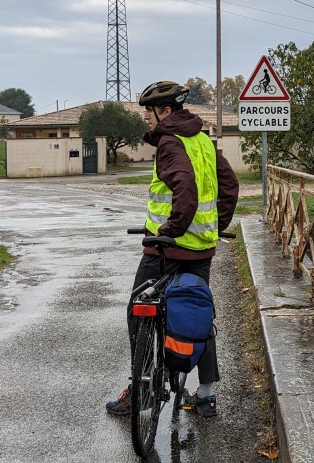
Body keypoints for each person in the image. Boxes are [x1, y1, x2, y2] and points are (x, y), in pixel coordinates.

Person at [106, 80, 239, 418]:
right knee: (198, 315)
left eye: (148, 113)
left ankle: (142, 388)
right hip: (201, 249)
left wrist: (170, 230)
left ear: (164, 111)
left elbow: (185, 186)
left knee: (139, 308)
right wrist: (216, 225)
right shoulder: (203, 140)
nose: (146, 120)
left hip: (165, 249)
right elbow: (230, 185)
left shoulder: (169, 142)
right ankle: (206, 394)